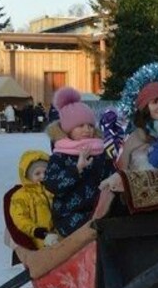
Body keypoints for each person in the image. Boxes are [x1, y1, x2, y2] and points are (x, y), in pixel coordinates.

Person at [45, 89, 116, 235]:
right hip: (69, 215)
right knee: (96, 230)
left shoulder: (99, 151)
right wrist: (76, 169)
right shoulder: (60, 155)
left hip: (97, 210)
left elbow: (110, 175)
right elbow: (52, 184)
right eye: (80, 126)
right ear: (68, 129)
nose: (87, 130)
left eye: (90, 126)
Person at [6, 150, 55, 249]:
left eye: (45, 172)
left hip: (57, 235)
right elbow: (20, 218)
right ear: (28, 176)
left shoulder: (53, 189)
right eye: (37, 173)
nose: (43, 176)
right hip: (37, 237)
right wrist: (36, 231)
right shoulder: (21, 196)